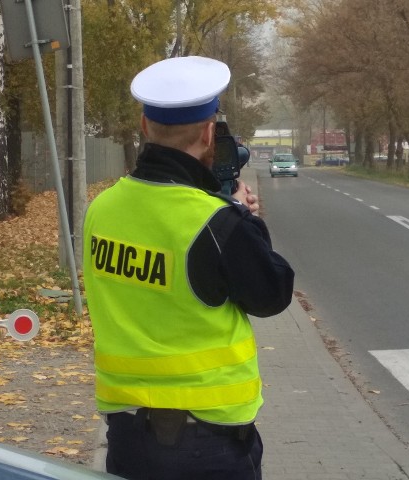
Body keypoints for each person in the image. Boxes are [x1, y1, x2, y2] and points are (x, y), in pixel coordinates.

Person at [83, 56, 295, 479]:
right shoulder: (217, 223)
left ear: (145, 128)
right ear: (209, 132)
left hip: (126, 436)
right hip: (206, 445)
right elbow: (273, 293)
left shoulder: (99, 209)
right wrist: (246, 221)